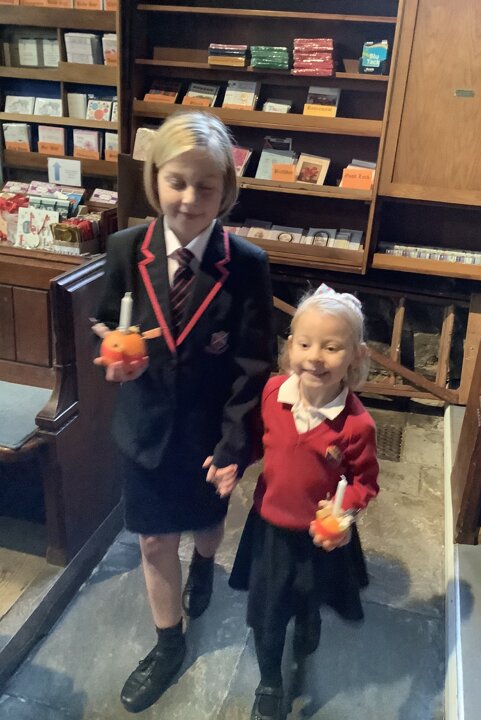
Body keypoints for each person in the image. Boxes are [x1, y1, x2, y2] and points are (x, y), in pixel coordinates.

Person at [93, 111, 273, 713]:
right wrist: (112, 349)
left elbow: (253, 363)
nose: (190, 199)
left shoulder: (245, 263)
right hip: (144, 428)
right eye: (177, 182)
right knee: (152, 542)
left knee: (206, 523)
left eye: (206, 186)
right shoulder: (125, 248)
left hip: (210, 434)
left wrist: (235, 445)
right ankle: (168, 644)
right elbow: (106, 315)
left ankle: (205, 563)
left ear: (226, 191)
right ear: (154, 179)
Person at [229, 283, 379, 720]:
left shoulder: (356, 425)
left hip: (320, 537)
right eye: (306, 344)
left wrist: (345, 509)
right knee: (268, 612)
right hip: (271, 528)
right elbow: (255, 443)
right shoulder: (272, 394)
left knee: (311, 594)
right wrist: (230, 462)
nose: (316, 357)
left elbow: (365, 482)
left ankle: (309, 618)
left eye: (331, 347)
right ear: (290, 346)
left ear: (354, 357)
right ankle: (270, 681)